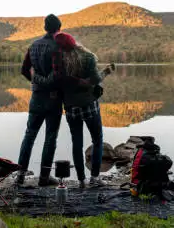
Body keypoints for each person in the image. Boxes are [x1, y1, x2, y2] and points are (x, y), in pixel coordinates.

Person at [34, 32, 114, 188]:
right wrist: (105, 72)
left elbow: (57, 82)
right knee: (97, 140)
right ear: (73, 42)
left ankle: (81, 180)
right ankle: (95, 178)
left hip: (71, 107)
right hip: (89, 105)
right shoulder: (87, 57)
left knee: (77, 143)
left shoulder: (58, 62)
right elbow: (95, 79)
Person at [16, 14, 63, 186]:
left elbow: (24, 70)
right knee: (50, 138)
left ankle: (20, 175)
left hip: (36, 97)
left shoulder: (33, 45)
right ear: (59, 29)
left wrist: (35, 82)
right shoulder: (58, 47)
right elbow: (58, 76)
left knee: (29, 135)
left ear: (45, 28)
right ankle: (44, 177)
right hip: (53, 99)